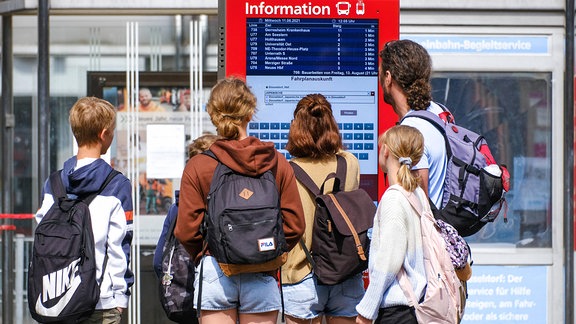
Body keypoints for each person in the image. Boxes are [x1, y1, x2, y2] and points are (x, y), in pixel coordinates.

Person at [174, 77, 306, 324]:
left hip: (215, 269)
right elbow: (295, 224)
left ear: (213, 115)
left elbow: (186, 230)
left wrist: (209, 251)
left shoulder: (199, 165)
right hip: (262, 271)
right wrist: (265, 249)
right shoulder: (276, 162)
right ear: (250, 112)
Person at [35, 96, 134, 324]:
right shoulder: (117, 185)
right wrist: (121, 296)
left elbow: (43, 234)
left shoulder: (53, 183)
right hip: (100, 300)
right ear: (103, 134)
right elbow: (119, 245)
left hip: (56, 297)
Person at [282, 93, 364, 324]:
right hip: (345, 271)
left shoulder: (286, 170)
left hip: (300, 273)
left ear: (296, 127)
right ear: (331, 125)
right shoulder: (349, 162)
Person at [356, 125, 427, 324]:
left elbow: (387, 262)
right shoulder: (417, 194)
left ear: (386, 150)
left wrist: (366, 312)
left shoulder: (394, 199)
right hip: (416, 305)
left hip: (398, 310)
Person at [378, 39, 447, 209]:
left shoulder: (413, 129)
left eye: (380, 74)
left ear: (388, 78)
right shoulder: (437, 112)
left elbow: (417, 203)